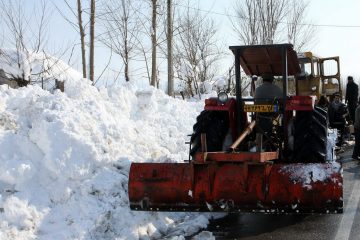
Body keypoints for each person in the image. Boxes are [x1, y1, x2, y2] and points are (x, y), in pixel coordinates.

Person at [254, 74, 283, 148]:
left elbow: (255, 100)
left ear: (263, 80)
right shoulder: (277, 89)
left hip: (259, 115)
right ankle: (281, 136)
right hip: (272, 115)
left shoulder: (258, 89)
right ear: (272, 80)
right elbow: (282, 99)